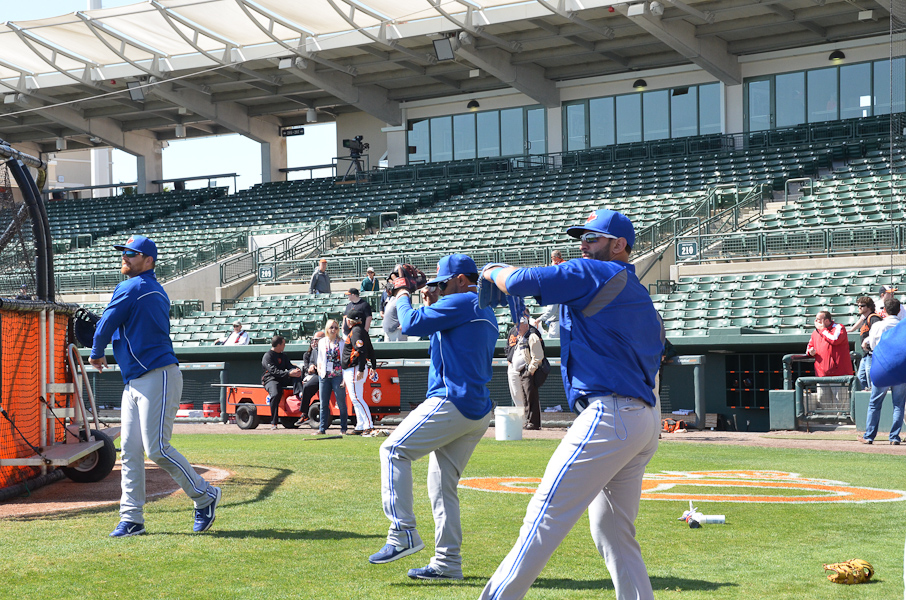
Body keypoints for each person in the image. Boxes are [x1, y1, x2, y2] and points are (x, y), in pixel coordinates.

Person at [478, 208, 664, 600]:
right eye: (581, 238)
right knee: (612, 532)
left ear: (619, 246)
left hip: (610, 415)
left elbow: (519, 279)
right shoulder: (636, 290)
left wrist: (491, 269)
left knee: (543, 516)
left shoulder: (597, 271)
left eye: (593, 238)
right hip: (642, 418)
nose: (583, 245)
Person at [369, 254, 498, 581]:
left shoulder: (464, 301)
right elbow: (437, 329)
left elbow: (408, 324)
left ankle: (403, 534)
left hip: (452, 400)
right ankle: (447, 563)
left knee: (393, 451)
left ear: (460, 280)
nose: (438, 289)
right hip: (476, 408)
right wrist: (428, 299)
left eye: (443, 284)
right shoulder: (479, 306)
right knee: (442, 487)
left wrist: (402, 293)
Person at [89, 235, 221, 537]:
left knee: (156, 448)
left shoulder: (134, 286)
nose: (125, 257)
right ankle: (131, 518)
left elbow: (107, 322)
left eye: (132, 254)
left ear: (149, 261)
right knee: (131, 451)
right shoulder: (151, 289)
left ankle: (205, 495)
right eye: (124, 252)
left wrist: (96, 350)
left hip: (156, 374)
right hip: (137, 378)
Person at [859, 297, 906, 445]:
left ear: (884, 311)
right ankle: (894, 437)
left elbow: (871, 345)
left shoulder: (878, 325)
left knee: (875, 403)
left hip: (882, 367)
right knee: (898, 405)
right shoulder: (902, 326)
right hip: (900, 368)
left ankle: (869, 436)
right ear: (899, 311)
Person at [806, 310, 854, 408]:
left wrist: (823, 330)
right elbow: (809, 347)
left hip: (838, 373)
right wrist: (810, 352)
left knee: (840, 402)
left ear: (826, 321)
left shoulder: (839, 327)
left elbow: (835, 339)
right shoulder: (815, 332)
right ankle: (827, 421)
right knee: (823, 401)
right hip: (821, 374)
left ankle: (842, 422)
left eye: (819, 320)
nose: (816, 322)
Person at [506, 312, 545, 430]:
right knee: (521, 396)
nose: (517, 327)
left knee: (530, 397)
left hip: (527, 371)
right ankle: (525, 421)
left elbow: (538, 355)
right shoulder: (519, 335)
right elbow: (508, 348)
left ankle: (533, 423)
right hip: (517, 370)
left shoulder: (532, 334)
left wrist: (531, 370)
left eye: (519, 325)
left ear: (526, 325)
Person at [342, 309, 377, 435]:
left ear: (350, 321)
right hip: (354, 368)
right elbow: (371, 350)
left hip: (355, 368)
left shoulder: (356, 331)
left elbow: (361, 350)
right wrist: (373, 365)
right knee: (356, 398)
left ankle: (369, 425)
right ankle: (360, 425)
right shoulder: (361, 331)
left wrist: (361, 369)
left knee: (356, 398)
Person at [261, 335, 304, 430]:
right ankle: (274, 422)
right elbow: (274, 371)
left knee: (296, 375)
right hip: (271, 379)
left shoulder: (283, 355)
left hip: (283, 377)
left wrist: (296, 370)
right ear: (279, 345)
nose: (285, 346)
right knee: (275, 394)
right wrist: (289, 373)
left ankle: (300, 394)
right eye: (283, 344)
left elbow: (289, 366)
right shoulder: (268, 356)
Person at [316, 319, 347, 435]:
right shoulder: (322, 342)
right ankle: (322, 428)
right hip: (325, 375)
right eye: (331, 327)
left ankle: (343, 428)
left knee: (341, 402)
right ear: (327, 329)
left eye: (335, 327)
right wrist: (319, 370)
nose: (333, 330)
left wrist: (345, 378)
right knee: (324, 403)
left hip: (338, 375)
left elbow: (345, 360)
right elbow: (320, 358)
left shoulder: (342, 342)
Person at [849, 297, 881, 392]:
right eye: (858, 306)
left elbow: (879, 333)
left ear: (869, 307)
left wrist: (867, 341)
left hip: (872, 354)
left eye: (862, 306)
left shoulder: (874, 318)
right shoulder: (865, 319)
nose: (859, 307)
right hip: (866, 355)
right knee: (861, 379)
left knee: (871, 380)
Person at [295, 331, 325, 426]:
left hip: (332, 374)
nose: (314, 342)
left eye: (316, 340)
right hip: (319, 374)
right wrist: (312, 366)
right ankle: (305, 414)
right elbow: (312, 362)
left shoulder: (329, 346)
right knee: (307, 387)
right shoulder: (314, 351)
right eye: (313, 340)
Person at [533, 250, 563, 338]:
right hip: (559, 323)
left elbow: (551, 310)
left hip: (556, 324)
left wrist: (539, 319)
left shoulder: (553, 289)